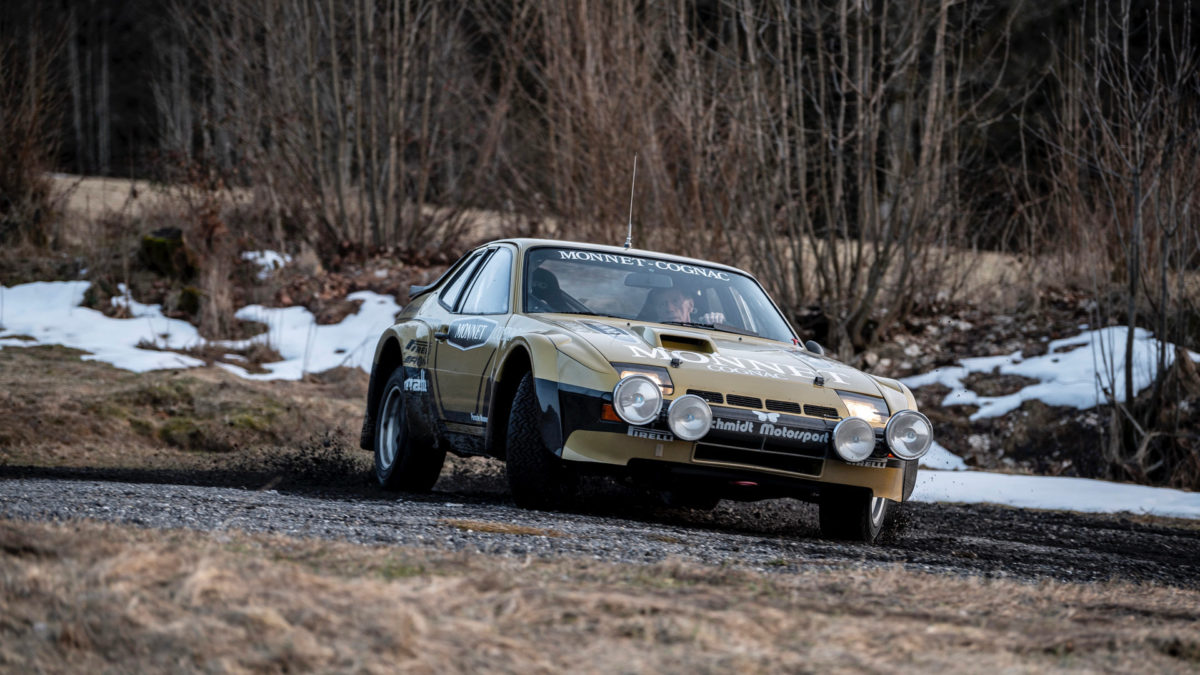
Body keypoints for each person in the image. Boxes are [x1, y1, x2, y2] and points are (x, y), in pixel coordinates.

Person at [640, 287, 724, 325]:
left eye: (675, 301)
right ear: (656, 310)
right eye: (662, 304)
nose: (670, 309)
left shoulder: (706, 327)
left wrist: (717, 322)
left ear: (690, 305)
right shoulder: (644, 329)